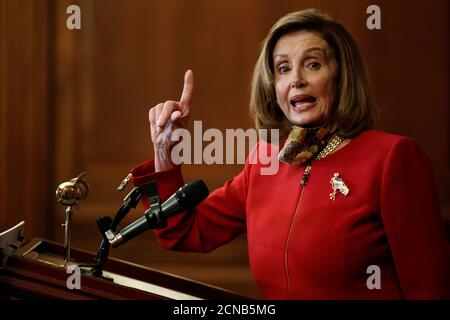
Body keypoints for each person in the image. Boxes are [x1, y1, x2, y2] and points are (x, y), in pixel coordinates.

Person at [129, 9, 450, 299]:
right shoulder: (265, 160)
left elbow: (429, 288)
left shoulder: (393, 157)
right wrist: (166, 152)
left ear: (342, 76)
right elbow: (183, 232)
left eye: (313, 64)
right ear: (273, 87)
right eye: (283, 68)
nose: (296, 79)